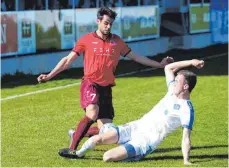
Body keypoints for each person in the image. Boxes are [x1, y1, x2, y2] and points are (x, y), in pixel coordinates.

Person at [37, 7, 173, 157]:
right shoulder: (86, 39)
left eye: (111, 24)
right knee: (92, 112)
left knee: (108, 131)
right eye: (106, 23)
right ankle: (72, 149)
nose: (108, 27)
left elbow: (136, 57)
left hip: (106, 88)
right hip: (90, 83)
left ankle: (77, 133)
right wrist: (49, 75)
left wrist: (159, 64)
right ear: (98, 21)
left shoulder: (117, 41)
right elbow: (67, 60)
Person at [66, 59, 204, 165]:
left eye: (177, 81)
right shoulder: (171, 91)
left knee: (107, 157)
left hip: (146, 140)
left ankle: (135, 155)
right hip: (136, 127)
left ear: (185, 87)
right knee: (97, 139)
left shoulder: (187, 109)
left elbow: (186, 137)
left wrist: (186, 160)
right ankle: (78, 154)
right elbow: (168, 67)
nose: (173, 83)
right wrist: (191, 62)